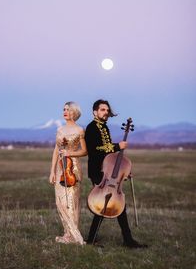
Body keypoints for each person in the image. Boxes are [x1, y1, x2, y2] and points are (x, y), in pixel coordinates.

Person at [85, 99, 148, 248]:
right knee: (103, 204)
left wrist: (123, 171)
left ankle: (122, 240)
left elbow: (110, 157)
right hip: (97, 171)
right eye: (102, 110)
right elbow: (95, 150)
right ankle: (125, 240)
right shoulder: (92, 128)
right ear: (95, 112)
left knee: (114, 205)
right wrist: (117, 146)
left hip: (107, 171)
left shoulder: (105, 128)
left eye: (107, 110)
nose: (106, 112)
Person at [49, 101, 87, 245]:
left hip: (73, 168)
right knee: (60, 202)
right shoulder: (60, 130)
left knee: (72, 202)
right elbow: (56, 150)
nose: (64, 111)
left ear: (74, 112)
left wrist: (69, 153)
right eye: (64, 109)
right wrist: (52, 171)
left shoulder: (79, 130)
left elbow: (84, 151)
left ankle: (74, 236)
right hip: (60, 168)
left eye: (68, 109)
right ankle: (67, 234)